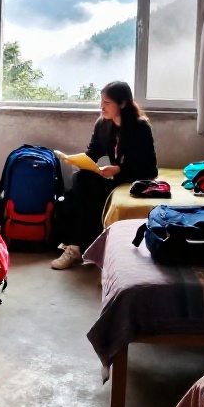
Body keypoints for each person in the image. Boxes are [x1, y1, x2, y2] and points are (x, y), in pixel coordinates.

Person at [51, 81, 158, 270]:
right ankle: (77, 246)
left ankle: (77, 247)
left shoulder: (140, 128)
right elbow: (93, 151)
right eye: (101, 101)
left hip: (132, 180)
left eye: (107, 102)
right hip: (113, 178)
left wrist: (120, 169)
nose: (102, 107)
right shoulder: (103, 124)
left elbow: (149, 169)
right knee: (78, 182)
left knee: (82, 189)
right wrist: (77, 160)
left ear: (123, 103)